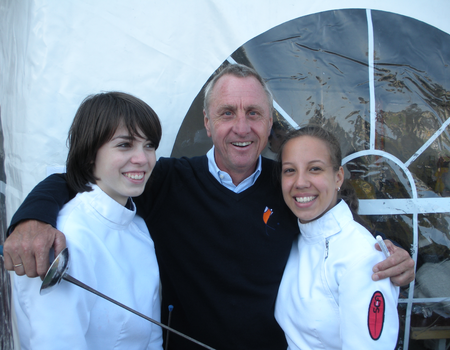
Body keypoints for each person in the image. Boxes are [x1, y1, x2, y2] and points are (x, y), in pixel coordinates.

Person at [4, 64, 414, 350]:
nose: (241, 126)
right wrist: (30, 219)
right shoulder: (164, 180)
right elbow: (76, 177)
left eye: (254, 113)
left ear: (269, 124)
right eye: (227, 113)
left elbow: (338, 217)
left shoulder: (289, 184)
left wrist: (391, 252)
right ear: (207, 123)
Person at [13, 92, 163, 350]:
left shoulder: (139, 227)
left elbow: (152, 337)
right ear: (91, 153)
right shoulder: (66, 236)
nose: (142, 158)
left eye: (148, 145)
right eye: (125, 145)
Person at [275, 126, 399, 349]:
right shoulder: (294, 237)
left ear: (338, 176)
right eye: (290, 170)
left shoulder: (363, 256)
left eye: (314, 169)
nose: (300, 182)